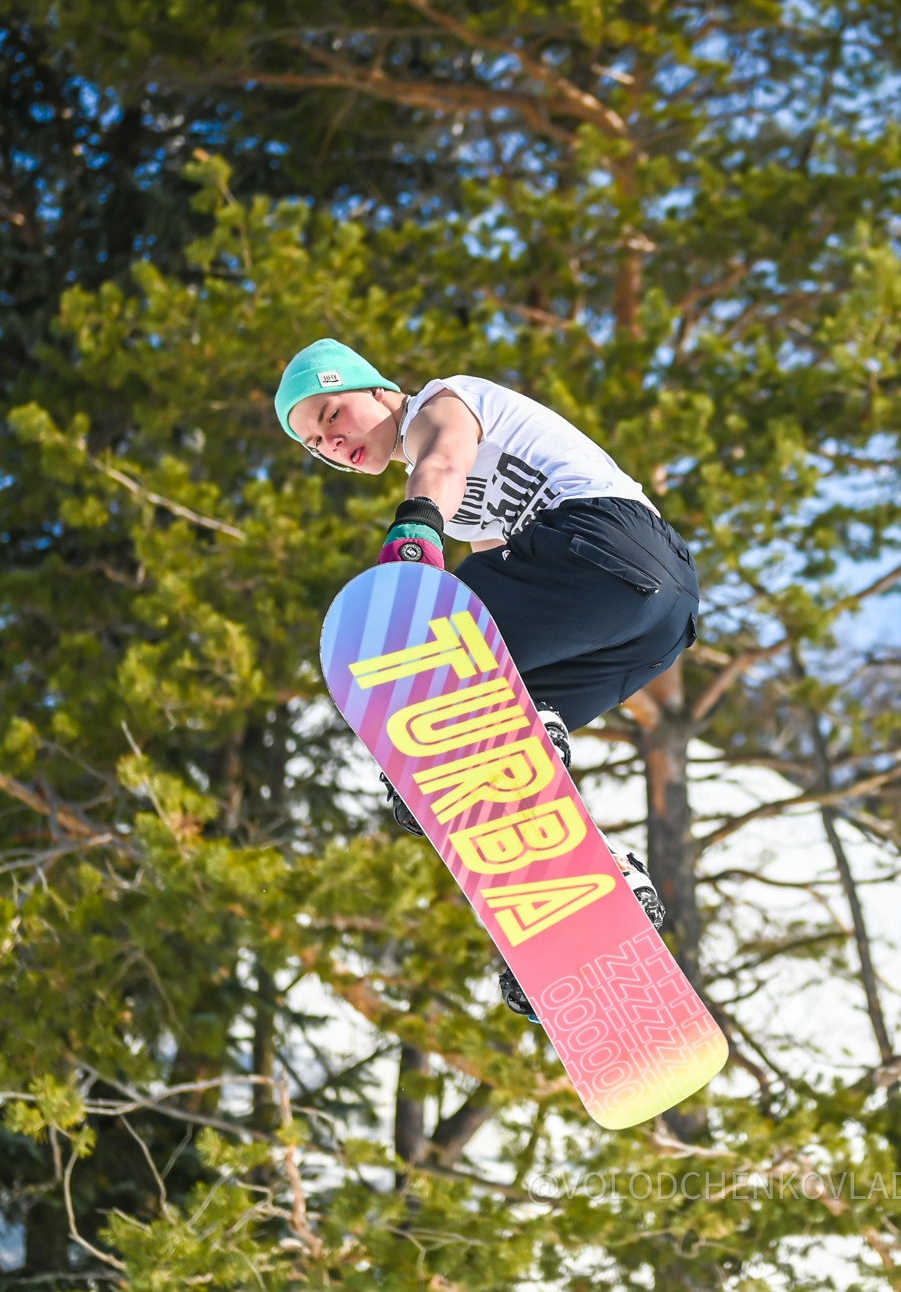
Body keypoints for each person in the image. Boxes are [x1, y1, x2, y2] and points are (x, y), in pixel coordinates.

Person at [275, 338, 695, 1018]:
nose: (330, 440)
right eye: (315, 441)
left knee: (426, 643)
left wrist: (415, 532)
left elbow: (442, 459)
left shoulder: (442, 403)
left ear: (380, 389)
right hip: (653, 620)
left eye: (331, 413)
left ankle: (514, 722)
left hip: (605, 546)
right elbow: (501, 584)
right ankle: (607, 882)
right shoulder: (475, 512)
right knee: (494, 680)